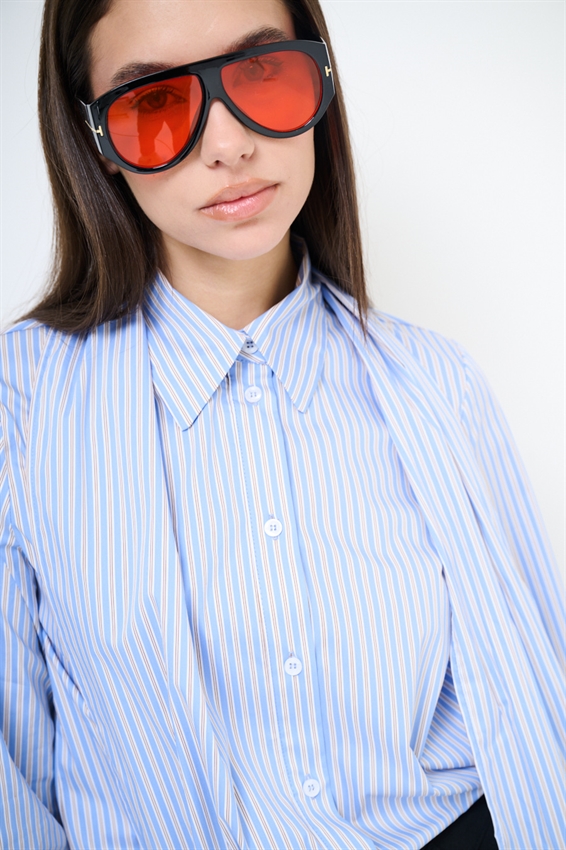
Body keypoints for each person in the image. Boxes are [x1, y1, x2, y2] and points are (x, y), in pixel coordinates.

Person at [0, 0, 563, 847]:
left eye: (262, 72)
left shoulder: (438, 383)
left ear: (319, 81)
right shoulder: (20, 401)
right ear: (97, 144)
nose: (228, 142)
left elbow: (529, 698)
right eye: (155, 101)